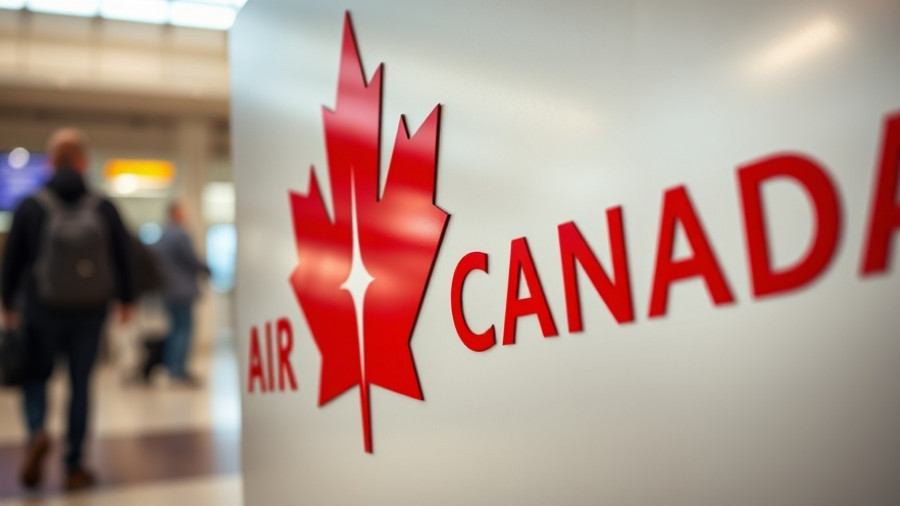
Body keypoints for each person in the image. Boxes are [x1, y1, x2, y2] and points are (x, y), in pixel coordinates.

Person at [0, 128, 135, 491]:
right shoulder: (103, 206)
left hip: (41, 308)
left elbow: (12, 261)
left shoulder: (32, 206)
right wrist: (127, 299)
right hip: (90, 310)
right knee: (80, 385)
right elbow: (124, 254)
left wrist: (8, 302)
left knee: (35, 377)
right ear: (83, 162)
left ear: (50, 162)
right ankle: (74, 464)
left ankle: (37, 433)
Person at [152, 202, 209, 385]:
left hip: (167, 290)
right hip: (182, 291)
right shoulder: (180, 234)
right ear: (176, 214)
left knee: (175, 329)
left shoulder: (162, 235)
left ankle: (171, 368)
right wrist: (207, 269)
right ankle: (178, 370)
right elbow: (191, 259)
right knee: (183, 329)